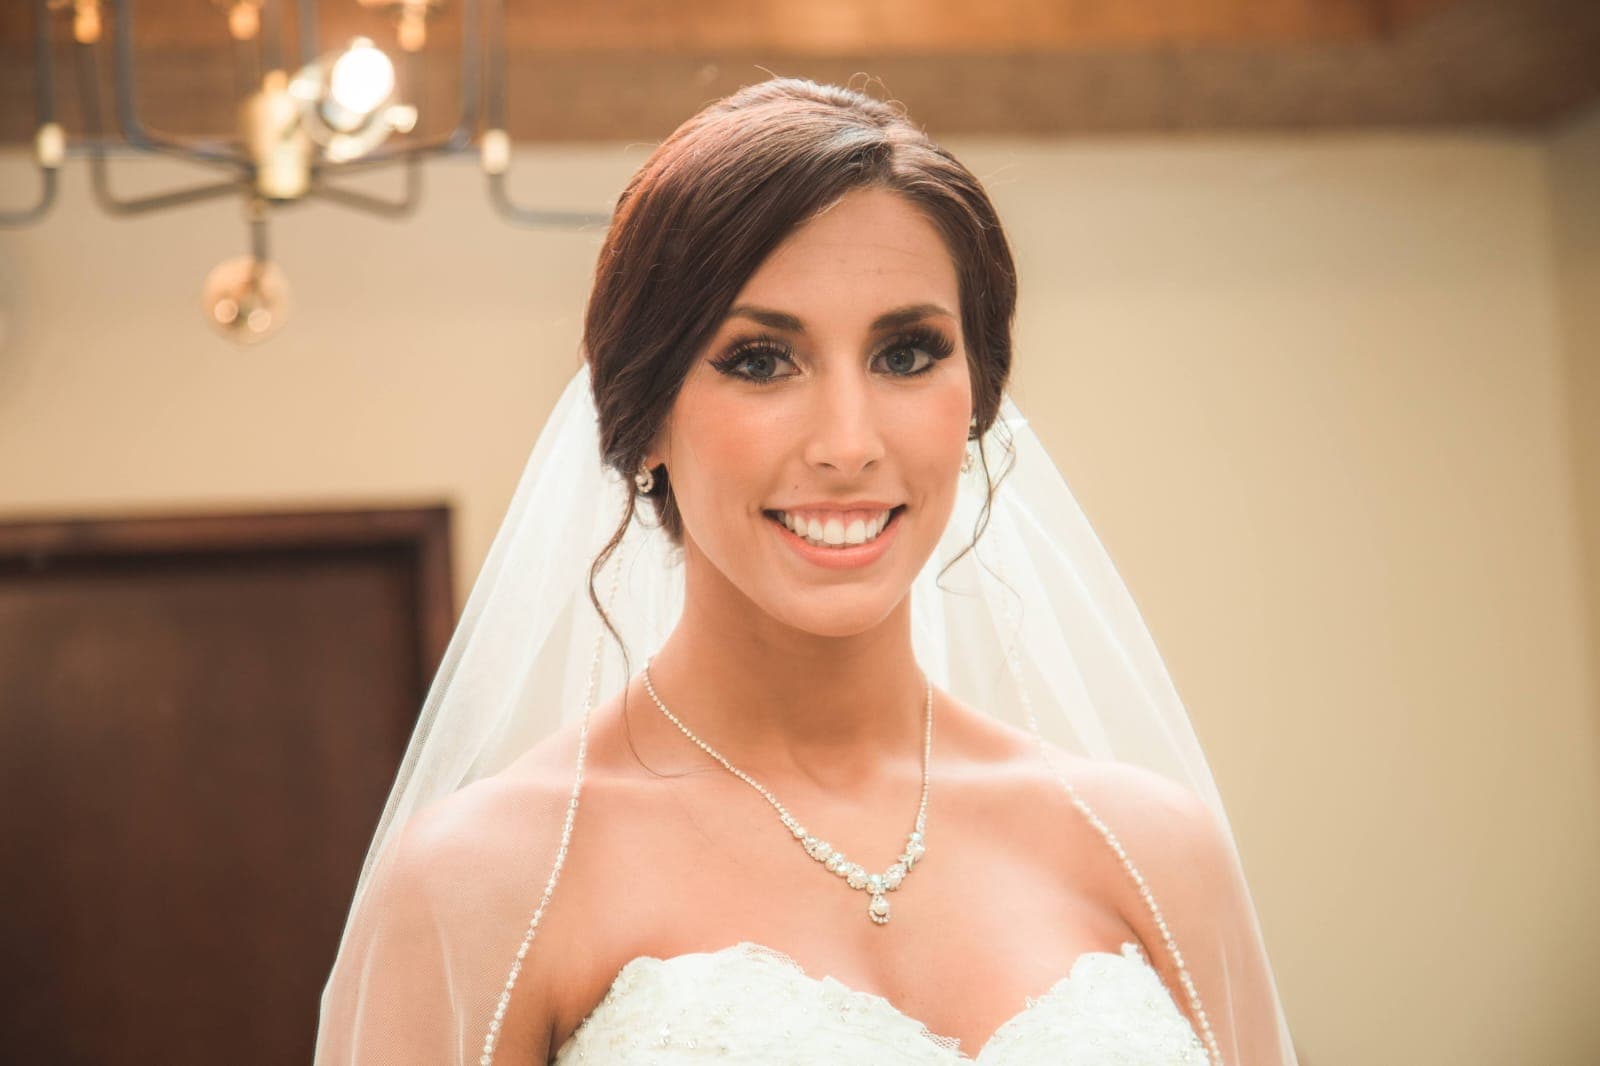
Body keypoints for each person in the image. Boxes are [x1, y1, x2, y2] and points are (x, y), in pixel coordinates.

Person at [315, 76, 1299, 1065]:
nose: (846, 442)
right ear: (645, 414)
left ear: (976, 401)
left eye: (908, 353)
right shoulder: (485, 879)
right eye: (760, 360)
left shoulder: (1155, 852)